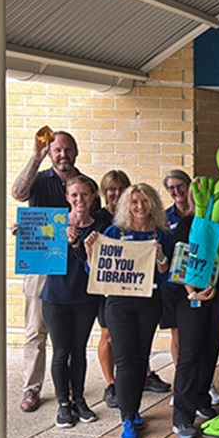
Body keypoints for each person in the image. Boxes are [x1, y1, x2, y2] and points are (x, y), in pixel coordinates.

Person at [11, 129, 97, 413]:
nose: (63, 154)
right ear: (50, 153)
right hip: (43, 263)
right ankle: (31, 388)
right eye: (57, 150)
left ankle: (72, 390)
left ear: (76, 152)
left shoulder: (85, 184)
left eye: (68, 149)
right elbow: (18, 194)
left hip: (73, 269)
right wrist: (35, 158)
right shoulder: (39, 179)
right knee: (36, 329)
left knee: (71, 338)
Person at [85, 183, 173, 438]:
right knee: (124, 361)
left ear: (152, 205)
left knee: (140, 358)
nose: (140, 207)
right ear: (127, 205)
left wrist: (160, 258)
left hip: (148, 302)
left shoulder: (161, 234)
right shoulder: (114, 231)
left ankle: (133, 411)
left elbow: (166, 273)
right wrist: (90, 252)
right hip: (119, 304)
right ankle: (127, 416)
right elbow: (96, 270)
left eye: (145, 202)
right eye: (134, 202)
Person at [41, 176, 108, 428]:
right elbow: (36, 250)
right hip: (55, 298)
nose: (80, 199)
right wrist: (23, 231)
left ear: (92, 197)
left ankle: (79, 400)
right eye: (74, 195)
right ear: (67, 198)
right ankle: (63, 404)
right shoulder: (54, 224)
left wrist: (78, 244)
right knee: (61, 351)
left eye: (85, 195)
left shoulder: (100, 227)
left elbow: (94, 266)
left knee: (79, 350)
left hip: (85, 298)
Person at [168, 179, 219, 438]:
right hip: (191, 297)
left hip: (217, 296)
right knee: (190, 355)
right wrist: (192, 292)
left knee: (211, 348)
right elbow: (180, 261)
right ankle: (182, 416)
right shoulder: (186, 224)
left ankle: (202, 400)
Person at [91, 170, 131, 408]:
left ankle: (142, 375)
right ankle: (110, 383)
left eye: (121, 188)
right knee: (108, 335)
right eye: (111, 189)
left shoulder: (133, 214)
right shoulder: (98, 218)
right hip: (106, 285)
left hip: (132, 283)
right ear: (104, 192)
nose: (116, 193)